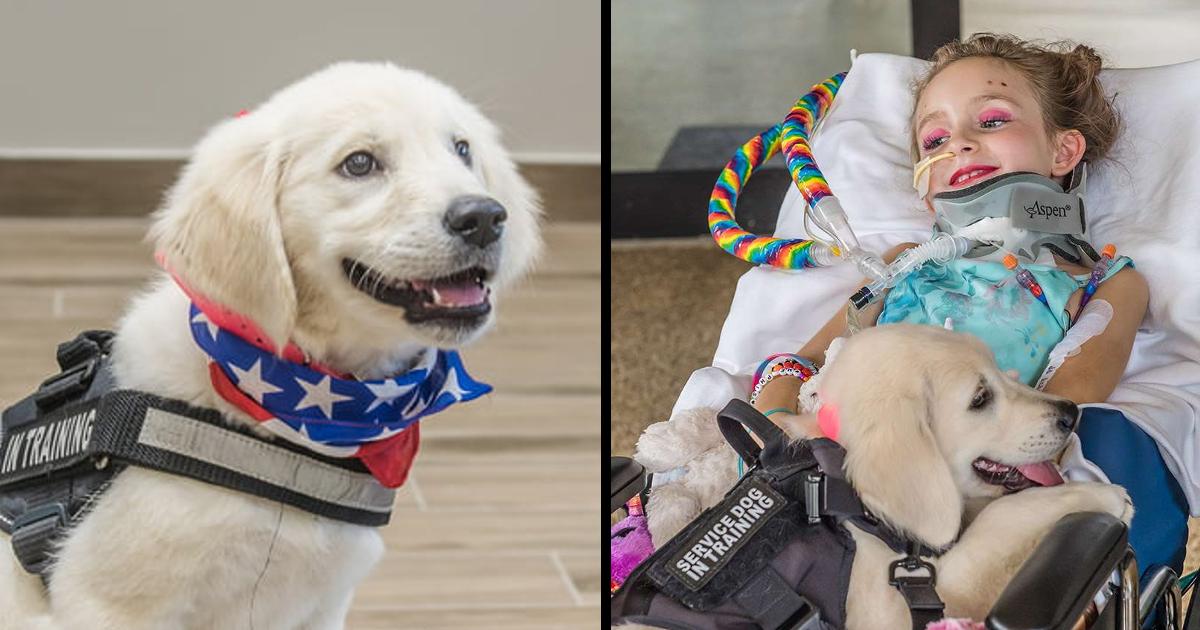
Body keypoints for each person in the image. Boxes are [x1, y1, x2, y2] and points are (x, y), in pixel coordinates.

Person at [750, 33, 1188, 579]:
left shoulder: (1104, 282)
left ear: (1063, 151)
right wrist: (776, 429)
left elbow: (1077, 388)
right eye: (933, 140)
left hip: (975, 479)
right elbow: (802, 361)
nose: (956, 144)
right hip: (839, 458)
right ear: (924, 190)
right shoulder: (905, 262)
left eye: (992, 121)